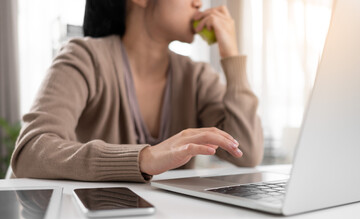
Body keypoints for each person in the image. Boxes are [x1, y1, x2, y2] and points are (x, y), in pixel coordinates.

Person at [11, 0, 263, 182]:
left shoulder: (196, 76)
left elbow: (247, 154)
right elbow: (30, 151)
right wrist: (144, 158)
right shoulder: (84, 58)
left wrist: (232, 57)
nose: (199, 3)